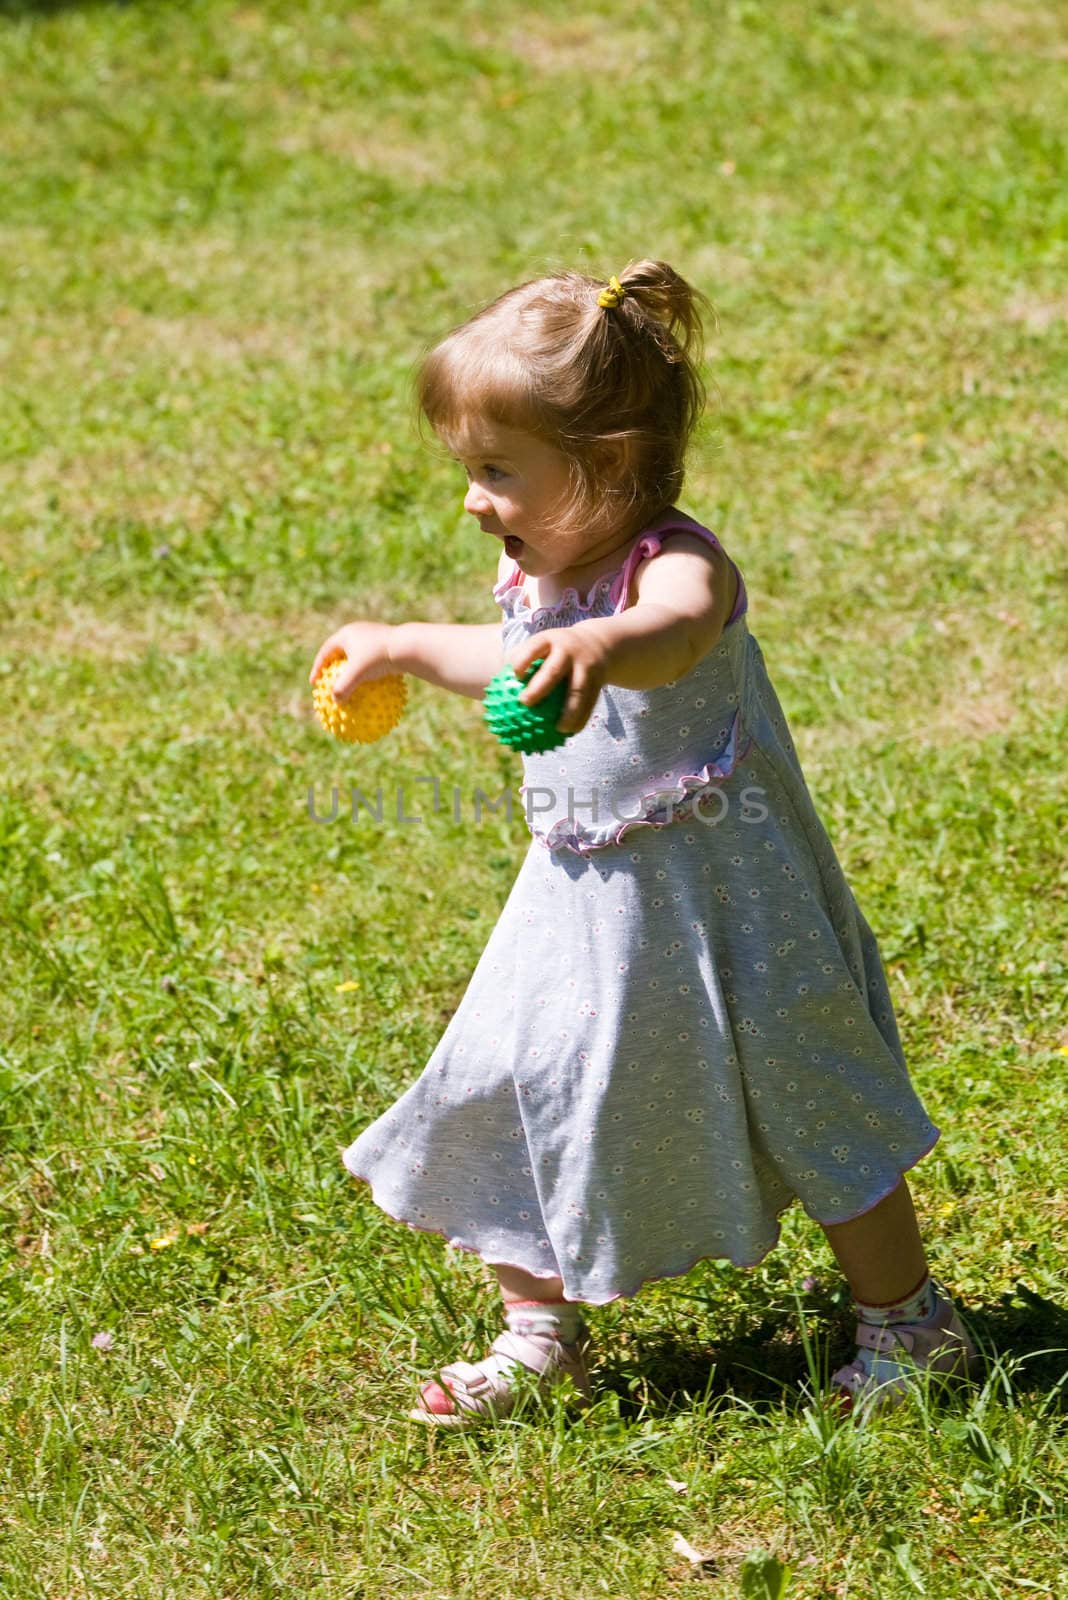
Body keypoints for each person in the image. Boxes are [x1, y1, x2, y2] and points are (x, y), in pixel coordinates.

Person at [310, 260, 977, 1428]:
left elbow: (668, 635)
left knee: (806, 1085)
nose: (474, 500)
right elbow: (513, 657)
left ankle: (911, 1324)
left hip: (726, 898)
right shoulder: (539, 567)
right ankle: (536, 1334)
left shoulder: (676, 567)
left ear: (605, 467)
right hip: (580, 894)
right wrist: (407, 641)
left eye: (496, 471)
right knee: (516, 1078)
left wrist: (600, 649)